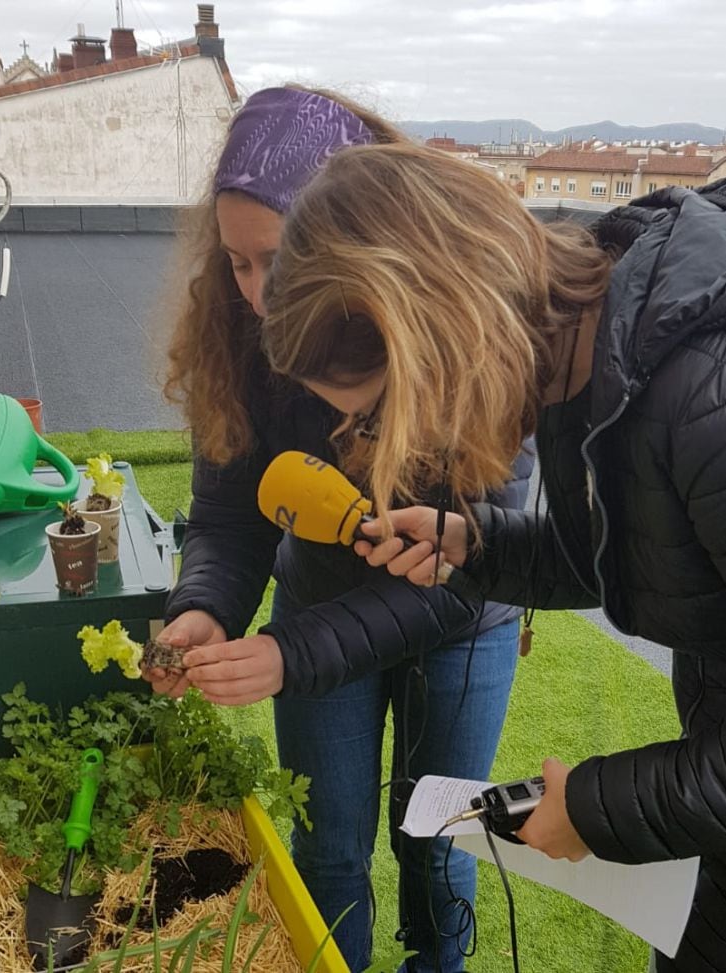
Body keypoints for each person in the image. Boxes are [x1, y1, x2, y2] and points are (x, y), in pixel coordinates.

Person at [256, 142, 726, 973]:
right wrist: (474, 548)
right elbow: (644, 558)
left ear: (447, 336)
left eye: (379, 414)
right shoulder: (590, 352)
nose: (386, 447)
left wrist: (596, 809)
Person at [151, 90, 529, 973]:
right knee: (327, 854)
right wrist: (205, 602)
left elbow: (478, 563)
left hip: (459, 629)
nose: (255, 298)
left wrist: (289, 652)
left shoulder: (471, 336)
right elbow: (228, 515)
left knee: (438, 839)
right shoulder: (238, 338)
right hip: (317, 613)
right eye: (236, 263)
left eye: (275, 263)